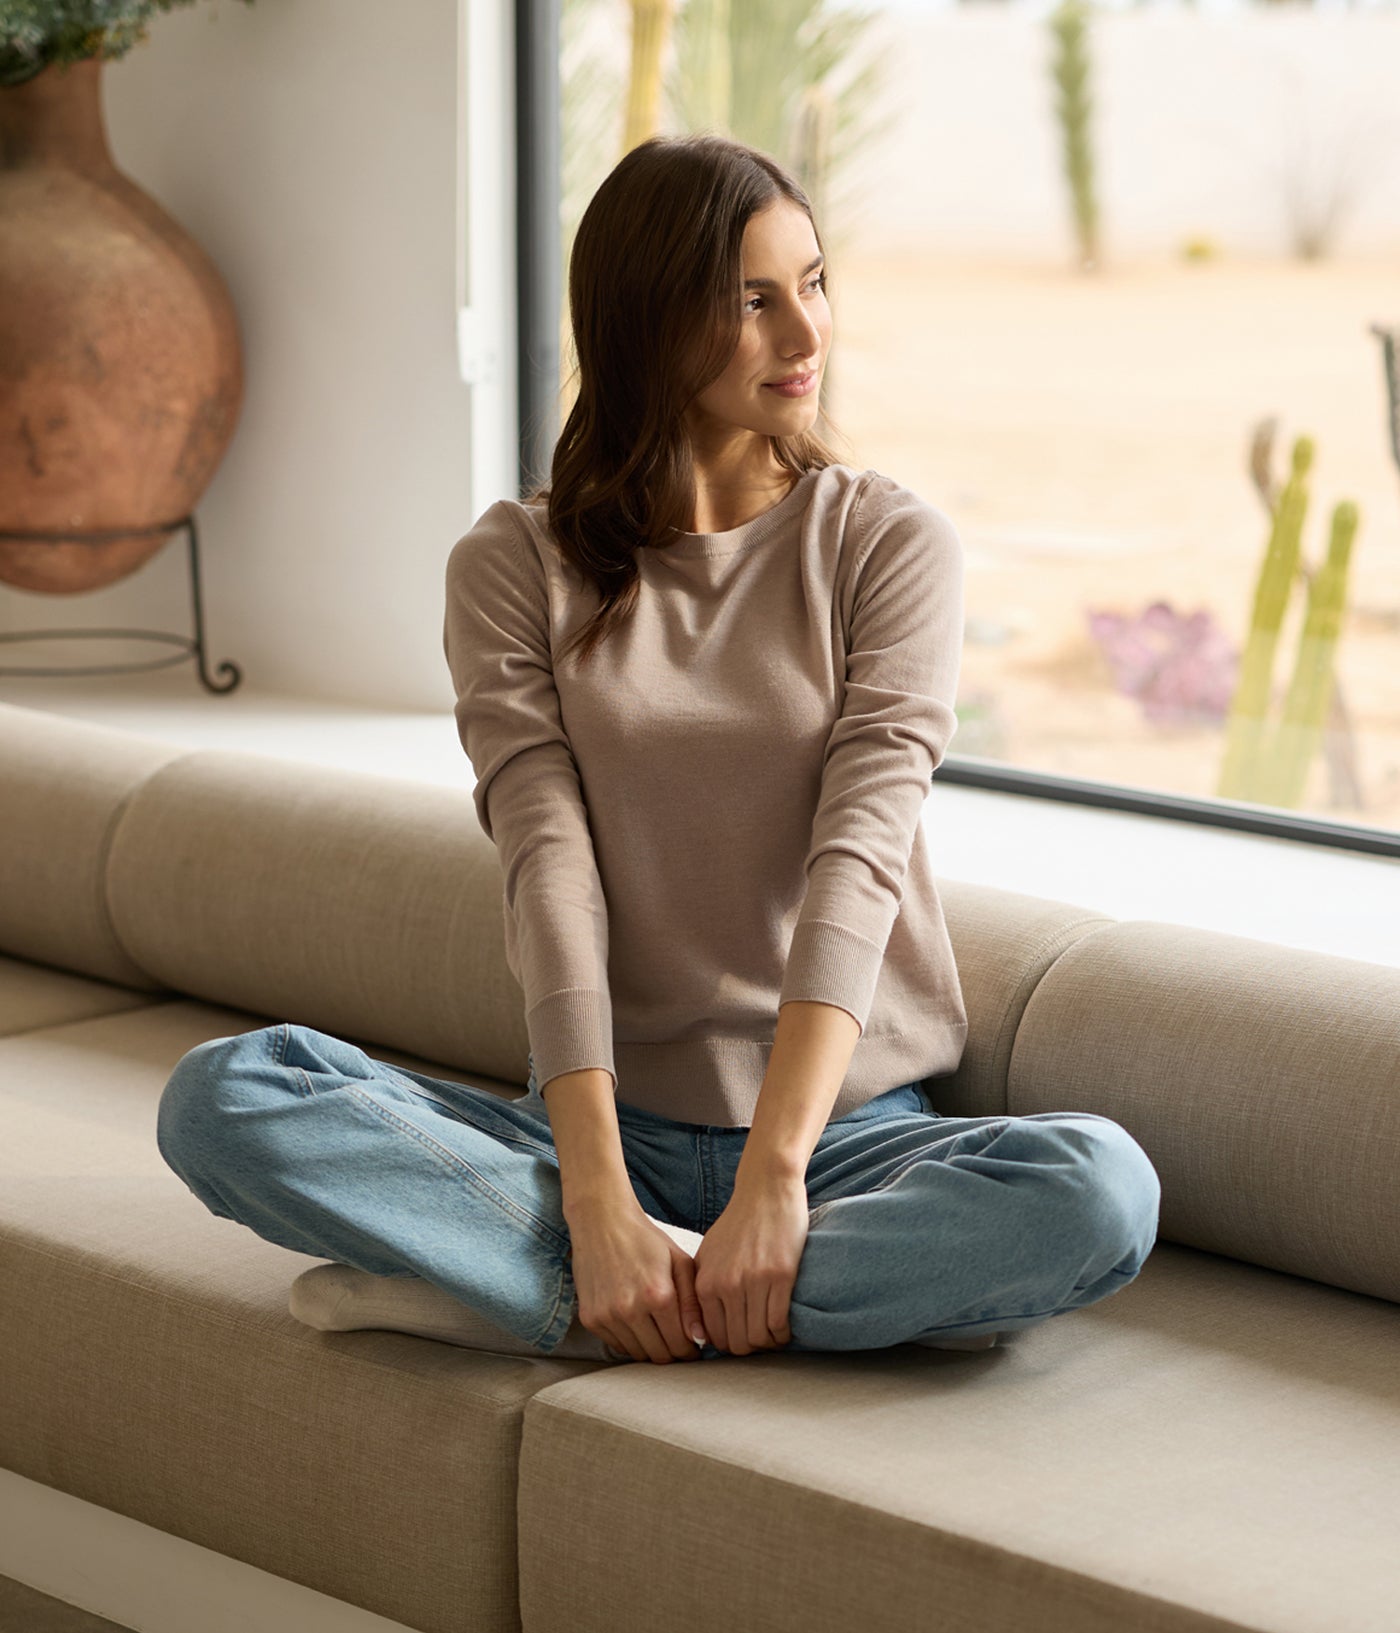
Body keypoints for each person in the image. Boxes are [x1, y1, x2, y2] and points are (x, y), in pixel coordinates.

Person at [156, 133, 1161, 1368]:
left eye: (814, 282)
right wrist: (591, 1191)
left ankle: (553, 1299)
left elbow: (859, 857)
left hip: (844, 1131)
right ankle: (675, 1280)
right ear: (646, 319)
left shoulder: (883, 545)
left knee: (1096, 1187)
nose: (805, 335)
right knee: (225, 1097)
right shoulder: (512, 565)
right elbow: (547, 867)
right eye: (749, 300)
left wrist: (777, 1177)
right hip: (602, 1127)